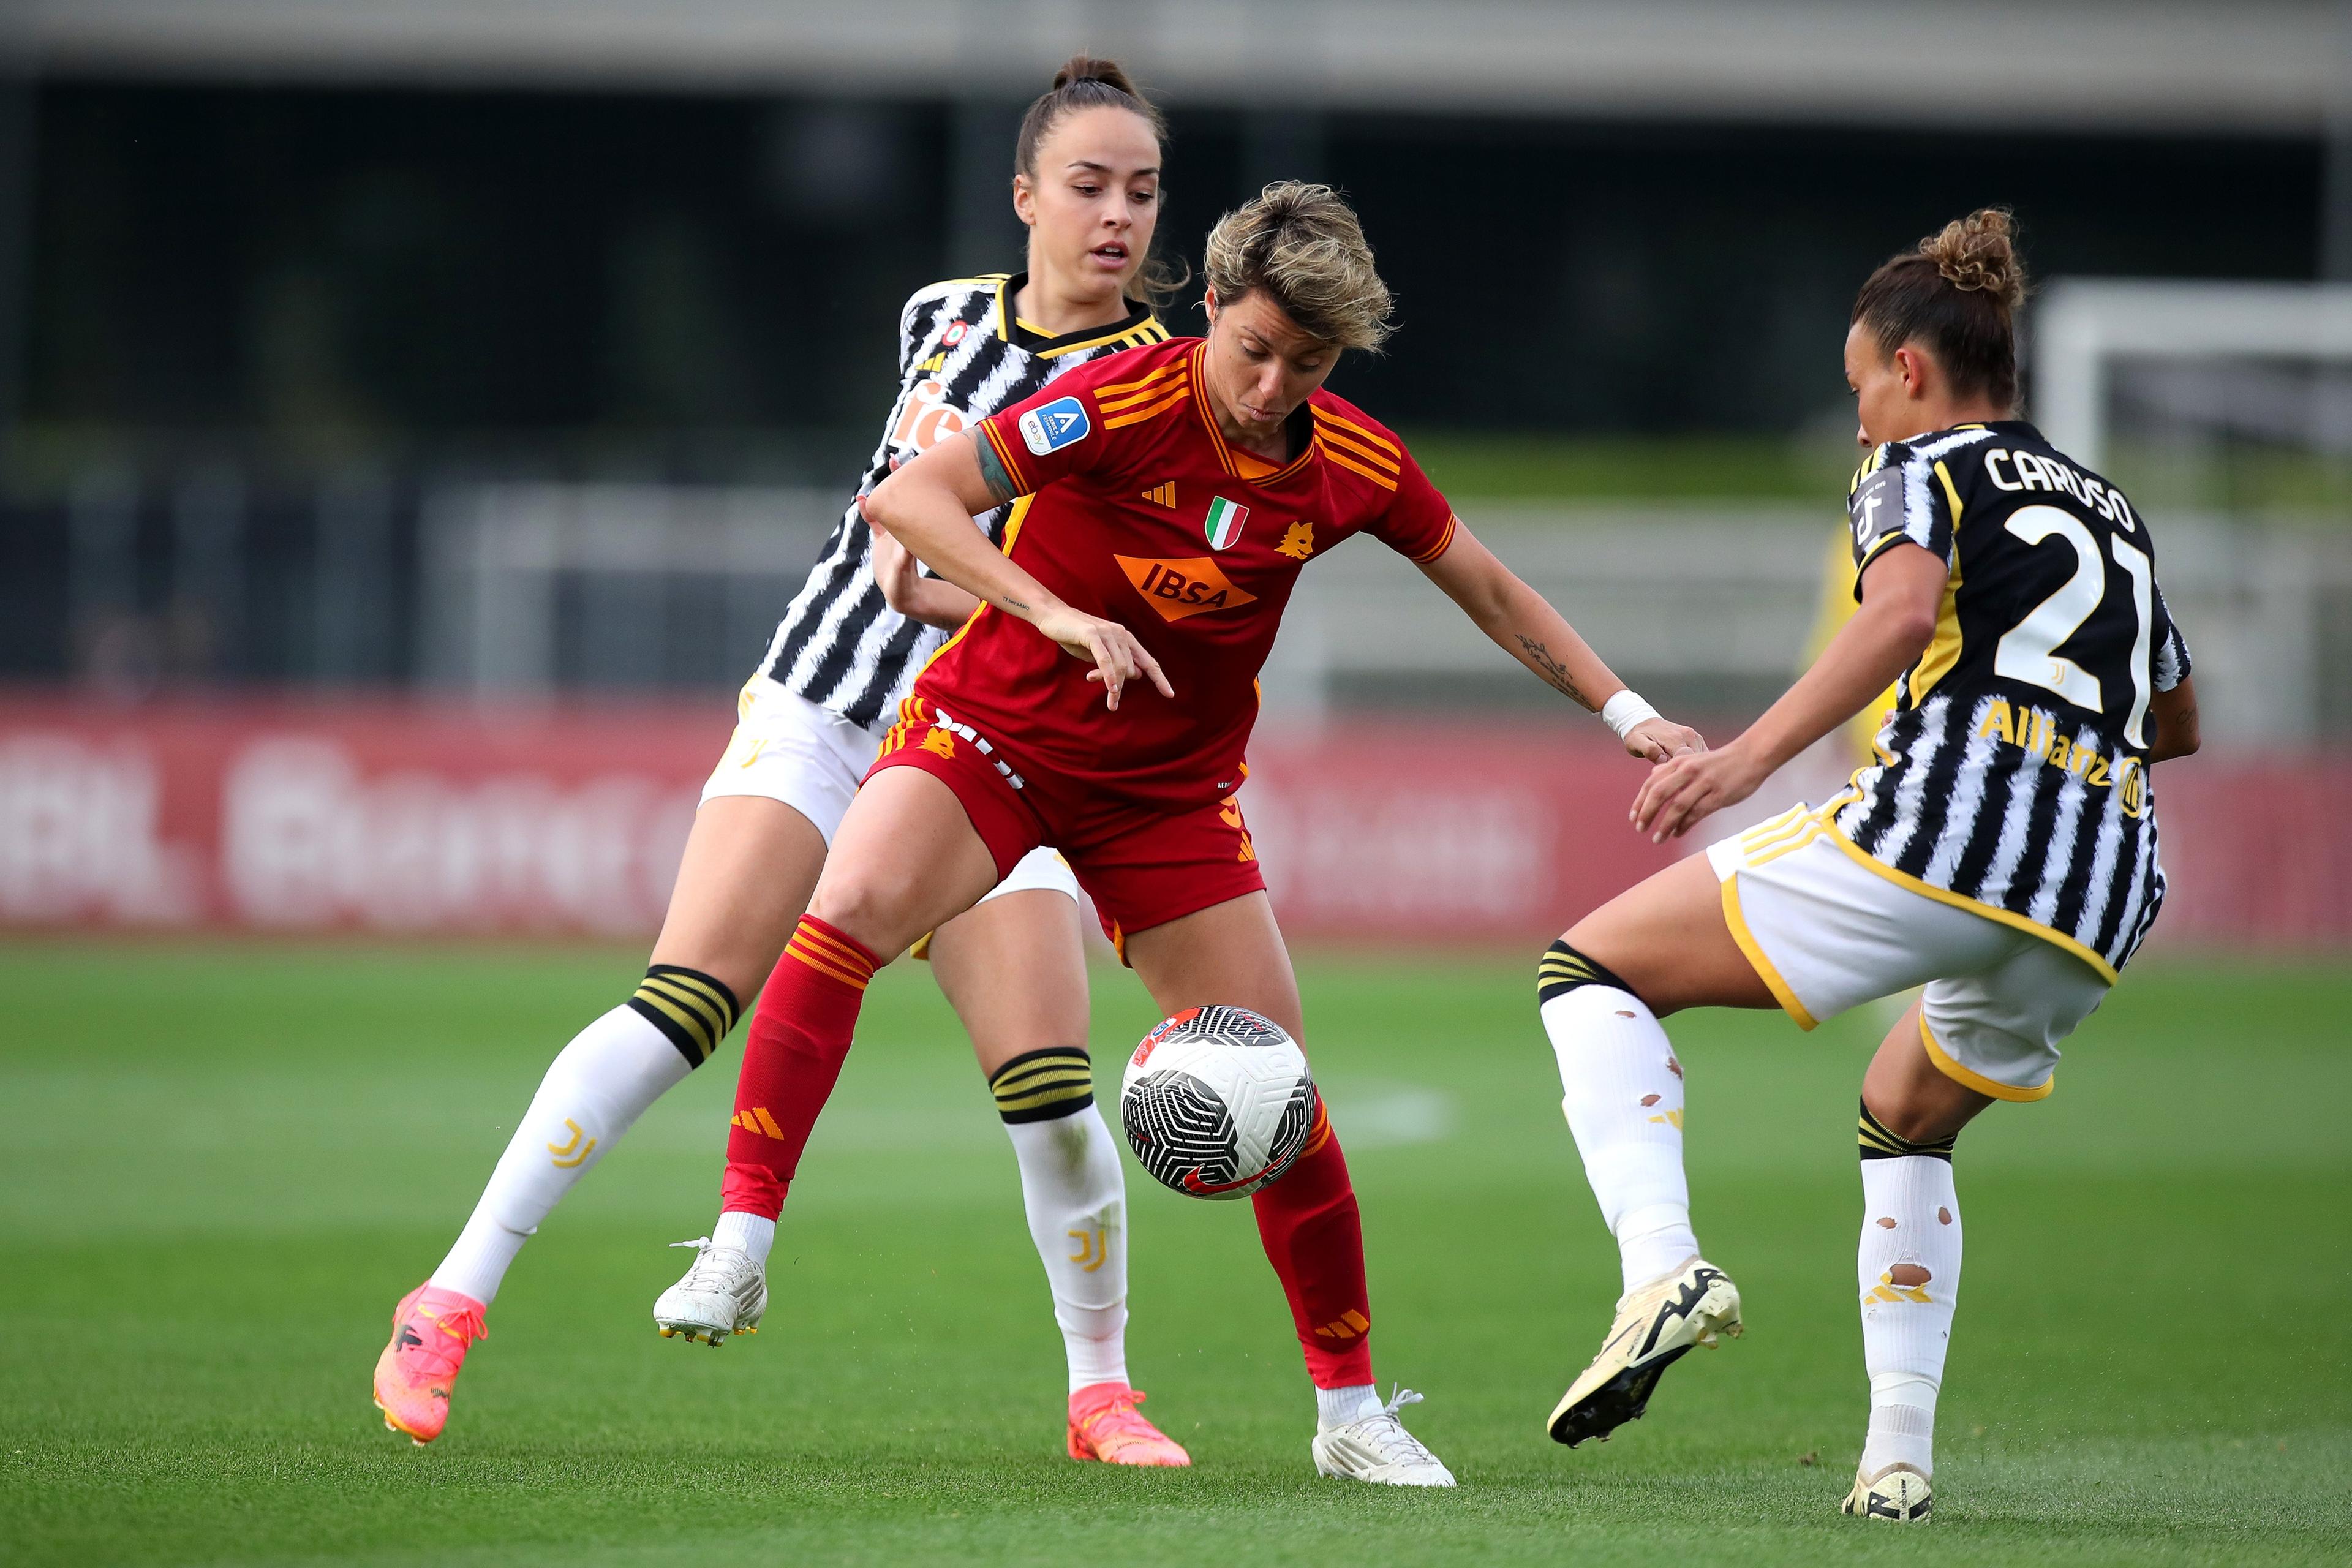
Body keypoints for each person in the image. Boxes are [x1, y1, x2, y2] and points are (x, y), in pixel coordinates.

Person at [661, 180, 1703, 1487]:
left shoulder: (1355, 463)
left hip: (1165, 795)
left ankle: (1351, 1412)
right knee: (852, 902)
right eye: (1254, 347)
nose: (1271, 384)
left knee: (1282, 1092)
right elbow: (913, 502)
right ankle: (741, 1244)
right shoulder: (1116, 400)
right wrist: (1050, 613)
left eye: (1307, 362)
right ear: (1209, 307)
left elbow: (1487, 586)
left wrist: (1627, 713)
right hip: (997, 737)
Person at [374, 56, 1193, 1466]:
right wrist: (956, 571)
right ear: (1025, 198)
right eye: (1089, 185)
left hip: (1000, 744)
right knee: (682, 997)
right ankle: (447, 1298)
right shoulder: (937, 314)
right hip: (826, 700)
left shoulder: (1156, 386)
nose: (1118, 215)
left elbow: (961, 565)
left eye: (1143, 191)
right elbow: (895, 550)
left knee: (1049, 1083)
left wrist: (974, 584)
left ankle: (1100, 1389)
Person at [1529, 209, 2199, 1521]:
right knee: (1903, 1113)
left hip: (1942, 831)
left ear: (1908, 368)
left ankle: (1661, 1268)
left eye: (1856, 390)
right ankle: (1897, 1457)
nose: (1856, 425)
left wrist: (1744, 762)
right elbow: (2178, 722)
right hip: (2105, 889)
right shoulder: (2111, 510)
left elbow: (1895, 611)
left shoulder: (1920, 465)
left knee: (1587, 968)